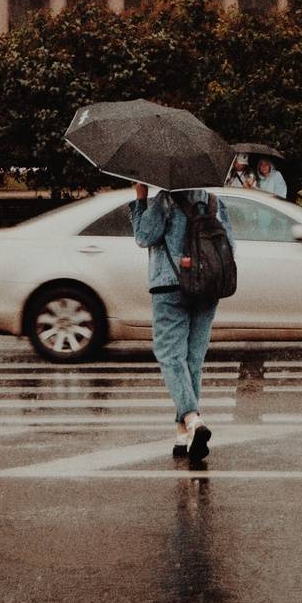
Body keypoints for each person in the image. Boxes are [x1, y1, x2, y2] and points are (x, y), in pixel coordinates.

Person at [130, 182, 234, 464]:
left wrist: (140, 200)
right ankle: (183, 434)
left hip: (170, 286)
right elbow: (230, 246)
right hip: (209, 287)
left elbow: (143, 236)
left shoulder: (165, 201)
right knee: (192, 360)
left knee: (170, 356)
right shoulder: (214, 203)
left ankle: (192, 419)